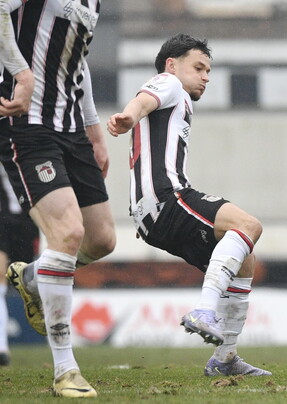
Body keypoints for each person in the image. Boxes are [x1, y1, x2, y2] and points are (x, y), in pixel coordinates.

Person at [0, 0, 114, 397]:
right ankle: (65, 368)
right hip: (28, 123)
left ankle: (33, 277)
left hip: (70, 126)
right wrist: (21, 72)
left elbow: (78, 63)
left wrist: (94, 129)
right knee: (65, 236)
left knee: (101, 239)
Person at [107, 34, 270, 377]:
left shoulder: (179, 98)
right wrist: (128, 116)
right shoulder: (168, 83)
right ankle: (204, 311)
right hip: (167, 198)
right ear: (172, 64)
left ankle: (225, 359)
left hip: (153, 212)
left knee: (244, 261)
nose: (206, 76)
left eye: (208, 70)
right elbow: (144, 99)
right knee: (249, 226)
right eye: (198, 67)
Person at [0, 166, 40, 367]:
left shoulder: (26, 142)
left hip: (28, 220)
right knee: (0, 277)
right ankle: (2, 348)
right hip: (2, 218)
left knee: (29, 277)